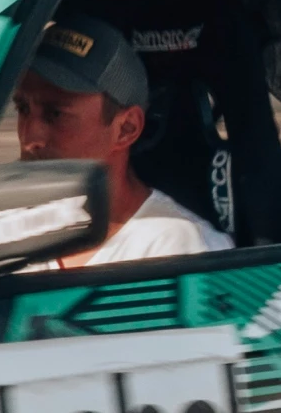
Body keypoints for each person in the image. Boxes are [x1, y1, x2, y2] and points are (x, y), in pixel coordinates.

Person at [13, 17, 231, 268]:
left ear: (126, 129)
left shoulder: (181, 249)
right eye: (22, 108)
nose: (29, 138)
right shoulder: (4, 233)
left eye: (55, 114)